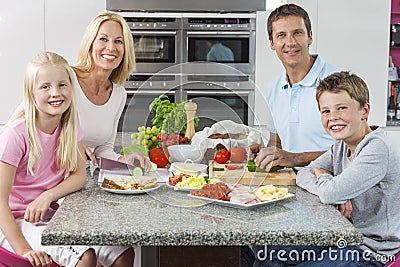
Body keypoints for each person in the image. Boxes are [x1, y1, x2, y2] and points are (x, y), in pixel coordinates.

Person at [0, 51, 134, 267]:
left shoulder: (69, 126)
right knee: (85, 256)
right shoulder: (15, 135)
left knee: (121, 251)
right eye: (45, 87)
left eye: (62, 85)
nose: (56, 93)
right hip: (17, 221)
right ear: (31, 93)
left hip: (52, 216)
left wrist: (47, 196)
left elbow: (79, 175)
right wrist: (23, 248)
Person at [294, 71, 400, 266]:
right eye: (325, 111)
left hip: (374, 251)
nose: (332, 117)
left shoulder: (377, 148)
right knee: (267, 250)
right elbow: (303, 174)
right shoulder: (342, 145)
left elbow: (330, 194)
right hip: (347, 235)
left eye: (341, 108)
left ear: (364, 111)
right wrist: (331, 184)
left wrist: (331, 185)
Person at [253, 3, 339, 170]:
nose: (290, 42)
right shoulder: (274, 87)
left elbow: (354, 150)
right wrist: (265, 152)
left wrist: (296, 159)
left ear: (310, 36)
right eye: (281, 35)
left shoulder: (338, 83)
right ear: (272, 43)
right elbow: (276, 140)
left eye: (297, 33)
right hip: (291, 183)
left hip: (332, 185)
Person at [72, 11, 149, 169]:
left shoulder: (118, 94)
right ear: (90, 43)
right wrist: (70, 147)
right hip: (46, 179)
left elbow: (103, 148)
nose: (111, 47)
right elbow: (25, 123)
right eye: (103, 39)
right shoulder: (66, 78)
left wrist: (123, 159)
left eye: (119, 41)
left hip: (79, 178)